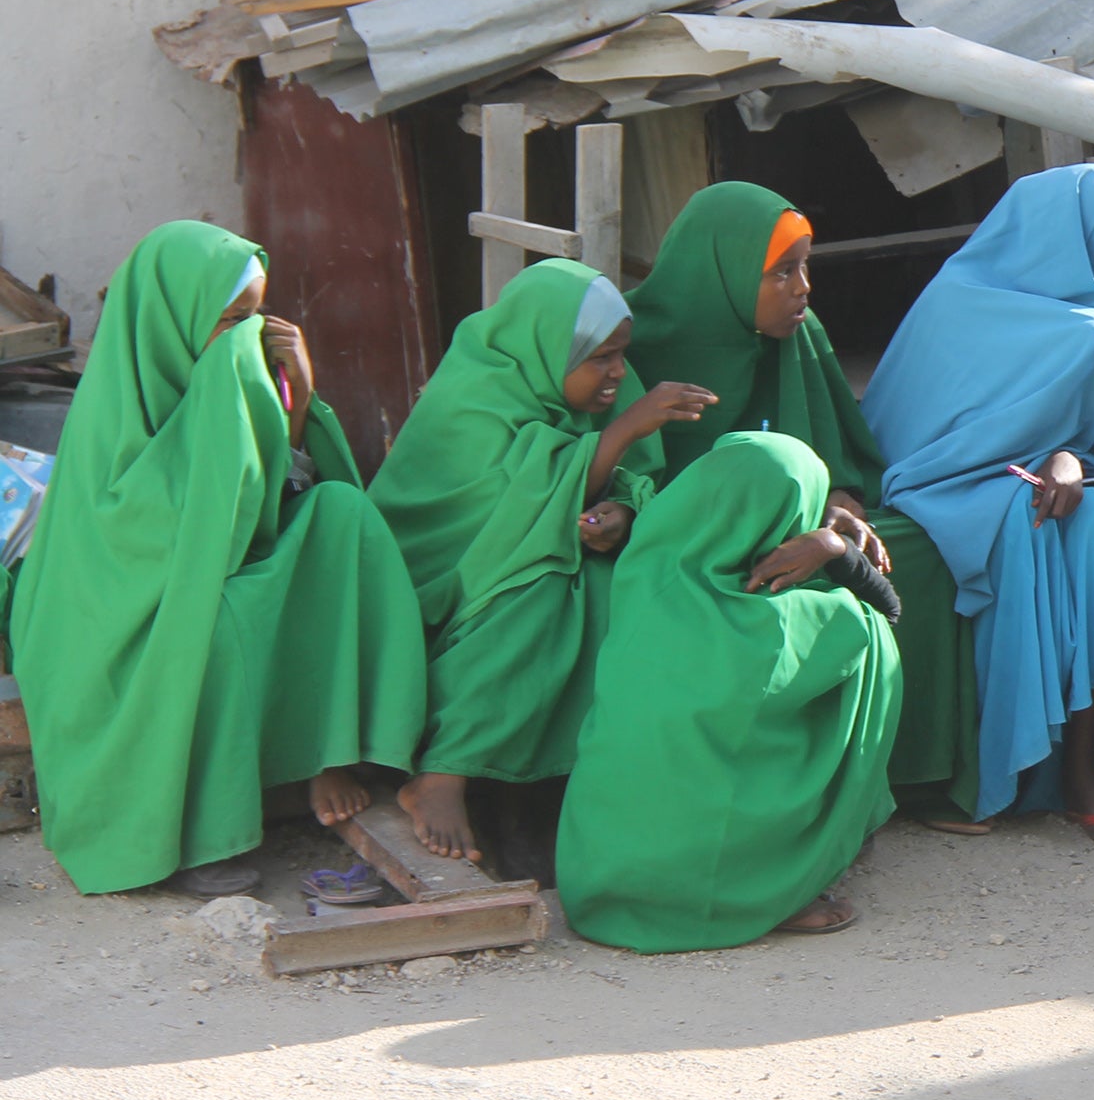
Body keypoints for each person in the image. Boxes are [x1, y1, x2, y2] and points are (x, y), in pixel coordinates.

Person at [6, 221, 426, 896]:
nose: (247, 334)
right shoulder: (119, 405)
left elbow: (275, 495)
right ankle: (198, 832)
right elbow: (157, 551)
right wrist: (225, 412)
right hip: (122, 622)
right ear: (172, 320)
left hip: (218, 565)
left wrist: (301, 393)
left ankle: (336, 752)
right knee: (222, 620)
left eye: (256, 314)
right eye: (229, 319)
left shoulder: (233, 383)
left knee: (342, 515)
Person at [621, 181, 979, 831]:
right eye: (782, 272)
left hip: (796, 526)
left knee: (919, 552)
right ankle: (791, 815)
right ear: (724, 273)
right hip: (684, 542)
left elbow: (838, 453)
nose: (804, 287)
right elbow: (631, 482)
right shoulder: (637, 347)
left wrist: (840, 507)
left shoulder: (796, 334)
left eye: (805, 265)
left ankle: (909, 777)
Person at [862, 164, 1094, 852]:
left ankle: (1080, 765)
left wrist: (1068, 461)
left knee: (1093, 523)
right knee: (1025, 525)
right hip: (933, 482)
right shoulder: (958, 296)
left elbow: (1087, 441)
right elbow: (904, 429)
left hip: (1029, 476)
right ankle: (1010, 767)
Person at [369, 259, 706, 860]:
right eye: (599, 358)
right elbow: (508, 516)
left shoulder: (613, 390)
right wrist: (622, 430)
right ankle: (446, 771)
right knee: (542, 588)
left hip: (543, 557)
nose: (618, 372)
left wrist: (622, 512)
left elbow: (635, 480)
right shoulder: (473, 398)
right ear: (548, 348)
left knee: (619, 588)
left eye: (623, 354)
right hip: (452, 588)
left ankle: (594, 793)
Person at [557, 432, 903, 949]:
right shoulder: (791, 616)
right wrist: (836, 550)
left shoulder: (647, 571)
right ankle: (768, 890)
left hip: (599, 888)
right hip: (710, 887)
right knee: (874, 653)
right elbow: (887, 614)